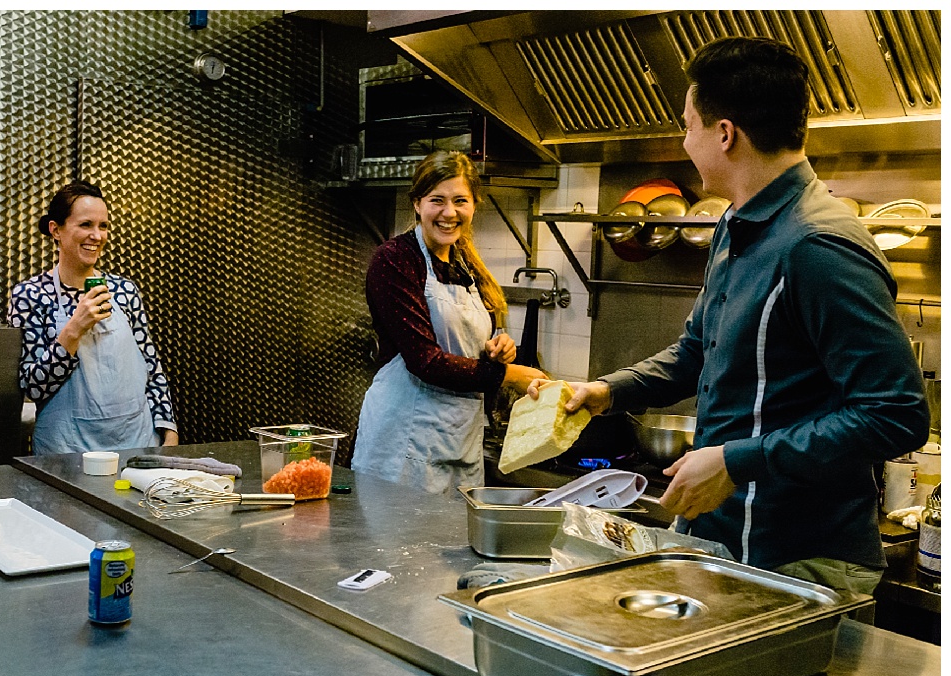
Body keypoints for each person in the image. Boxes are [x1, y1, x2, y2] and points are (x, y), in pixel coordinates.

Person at [531, 37, 928, 595]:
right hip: (722, 546)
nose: (685, 141)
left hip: (800, 562)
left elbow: (895, 415)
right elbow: (698, 352)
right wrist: (606, 391)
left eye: (689, 125)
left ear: (724, 134)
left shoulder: (818, 245)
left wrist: (738, 460)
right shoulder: (732, 229)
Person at [352, 150, 547, 494]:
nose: (449, 213)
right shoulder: (395, 260)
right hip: (403, 444)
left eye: (460, 201)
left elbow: (466, 344)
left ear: (473, 205)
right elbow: (425, 361)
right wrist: (511, 376)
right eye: (436, 201)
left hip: (460, 439)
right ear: (417, 204)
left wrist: (498, 350)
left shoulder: (467, 265)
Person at [8, 181, 178, 455]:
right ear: (56, 230)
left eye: (104, 226)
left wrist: (169, 431)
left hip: (136, 446)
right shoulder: (30, 295)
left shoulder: (124, 291)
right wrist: (74, 328)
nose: (97, 236)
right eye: (86, 225)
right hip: (65, 453)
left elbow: (151, 367)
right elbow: (33, 388)